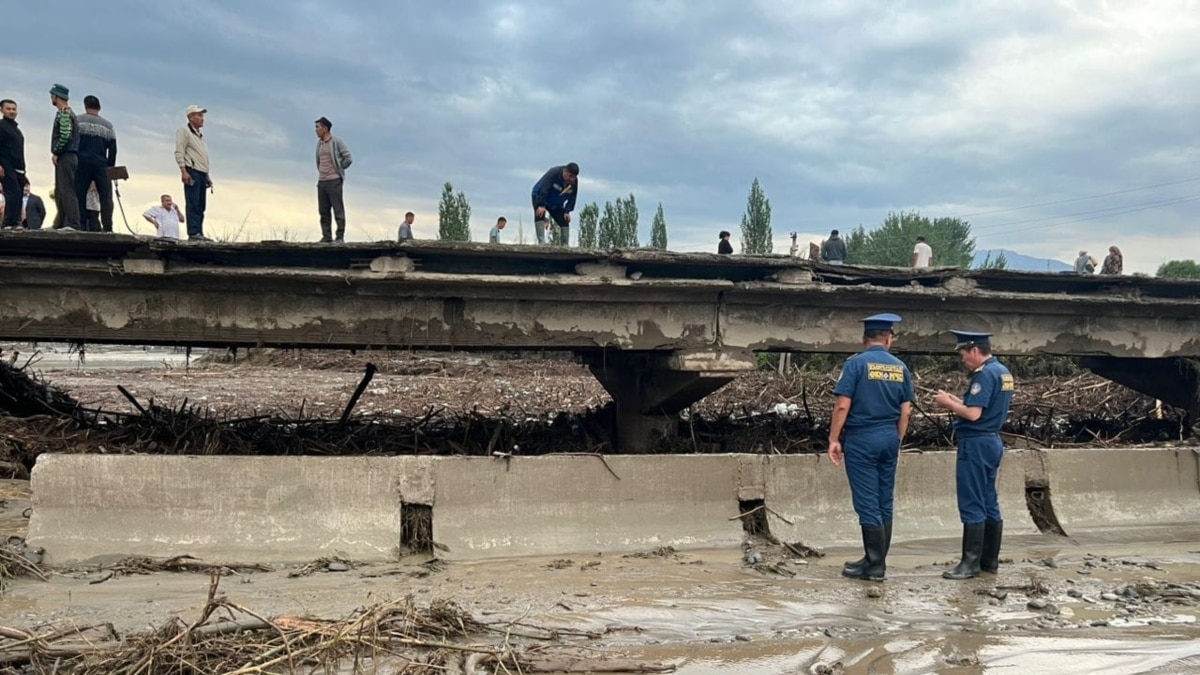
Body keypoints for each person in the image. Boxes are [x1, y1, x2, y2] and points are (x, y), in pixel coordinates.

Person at [828, 313, 914, 582]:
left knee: (867, 502)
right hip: (889, 436)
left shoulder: (856, 364)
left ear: (864, 339)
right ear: (889, 339)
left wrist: (833, 438)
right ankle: (873, 559)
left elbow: (843, 405)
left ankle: (875, 567)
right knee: (884, 501)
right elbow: (906, 410)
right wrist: (896, 439)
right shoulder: (901, 367)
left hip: (863, 438)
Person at [933, 330, 1015, 580]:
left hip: (976, 443)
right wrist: (956, 399)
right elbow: (979, 407)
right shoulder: (1003, 371)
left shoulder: (985, 375)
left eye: (963, 354)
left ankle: (969, 564)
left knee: (972, 501)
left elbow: (973, 414)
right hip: (992, 441)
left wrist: (947, 404)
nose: (962, 359)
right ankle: (989, 561)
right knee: (989, 500)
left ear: (975, 350)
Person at [75, 95, 116, 233]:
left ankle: (80, 224)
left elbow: (73, 142)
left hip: (82, 162)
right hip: (101, 163)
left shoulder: (78, 121)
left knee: (79, 194)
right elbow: (113, 148)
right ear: (99, 107)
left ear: (85, 106)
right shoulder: (108, 125)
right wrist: (109, 166)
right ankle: (108, 226)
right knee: (105, 196)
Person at [174, 105, 212, 241]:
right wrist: (183, 171)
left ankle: (199, 232)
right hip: (192, 170)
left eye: (202, 115)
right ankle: (193, 232)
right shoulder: (184, 131)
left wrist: (207, 175)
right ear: (191, 117)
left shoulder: (200, 136)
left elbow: (202, 156)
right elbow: (179, 151)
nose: (202, 118)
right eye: (199, 115)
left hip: (202, 172)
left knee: (201, 205)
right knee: (193, 203)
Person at [314, 116, 353, 243]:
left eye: (318, 127)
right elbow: (319, 161)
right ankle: (326, 236)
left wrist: (339, 167)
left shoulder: (336, 142)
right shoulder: (319, 144)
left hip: (334, 180)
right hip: (322, 181)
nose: (316, 130)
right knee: (323, 211)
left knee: (338, 209)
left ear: (325, 128)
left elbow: (348, 158)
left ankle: (340, 236)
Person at [49, 84, 81, 230]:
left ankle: (72, 223)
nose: (51, 98)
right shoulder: (69, 113)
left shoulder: (64, 113)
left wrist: (57, 151)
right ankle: (61, 223)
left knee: (66, 189)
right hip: (70, 155)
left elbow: (65, 135)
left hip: (67, 155)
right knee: (61, 190)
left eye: (52, 96)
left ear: (56, 96)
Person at [531, 162, 579, 246]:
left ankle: (565, 245)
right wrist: (541, 205)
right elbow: (544, 188)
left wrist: (567, 211)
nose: (571, 179)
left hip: (556, 202)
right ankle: (541, 242)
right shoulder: (554, 172)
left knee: (564, 220)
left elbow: (573, 197)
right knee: (540, 214)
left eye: (574, 177)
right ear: (565, 171)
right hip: (540, 195)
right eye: (570, 176)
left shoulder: (574, 182)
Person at [0, 99, 26, 230]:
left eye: (13, 109)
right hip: (6, 166)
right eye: (8, 109)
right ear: (2, 110)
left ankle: (16, 221)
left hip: (19, 168)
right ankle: (9, 222)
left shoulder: (17, 130)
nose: (11, 111)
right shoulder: (1, 126)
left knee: (19, 194)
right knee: (13, 193)